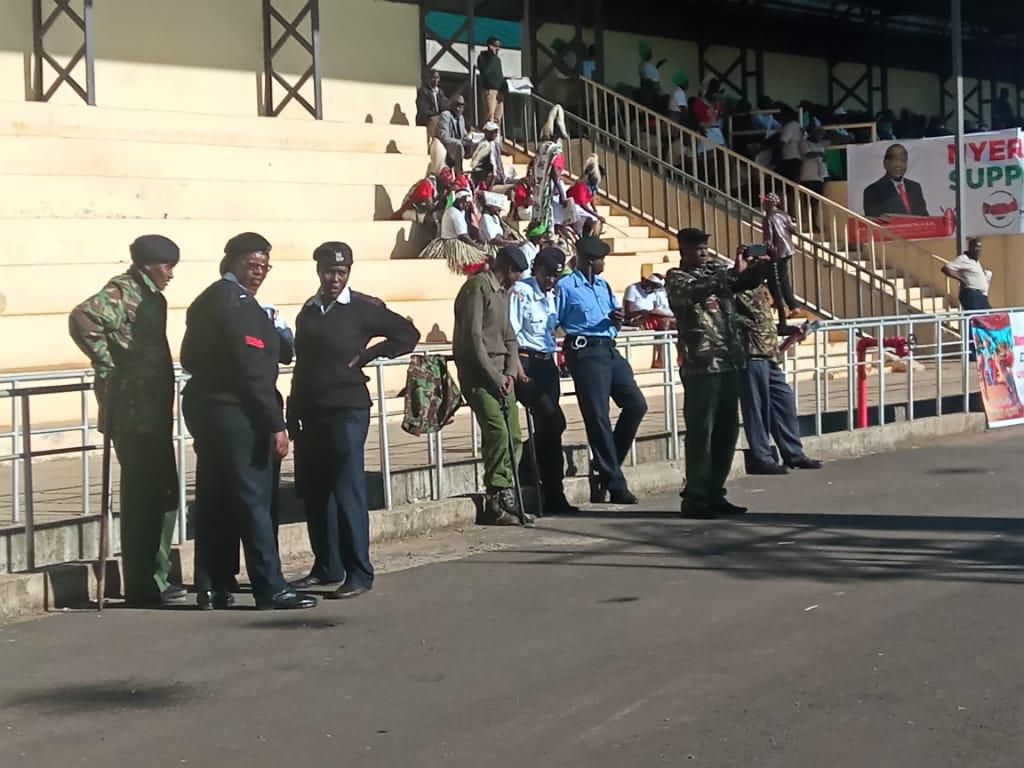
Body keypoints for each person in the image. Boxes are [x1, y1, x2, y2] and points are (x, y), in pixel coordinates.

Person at [181, 232, 316, 611]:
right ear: (233, 262)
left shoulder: (207, 299)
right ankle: (270, 587)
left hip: (209, 413)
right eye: (251, 265)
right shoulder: (237, 305)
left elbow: (189, 358)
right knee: (254, 502)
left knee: (215, 500)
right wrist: (275, 424)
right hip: (240, 415)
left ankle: (213, 584)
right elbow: (253, 375)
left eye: (263, 267)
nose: (258, 273)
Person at [289, 243, 420, 597]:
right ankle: (326, 565)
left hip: (348, 408)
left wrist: (371, 353)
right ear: (318, 271)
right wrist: (293, 408)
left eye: (341, 272)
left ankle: (359, 572)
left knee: (347, 488)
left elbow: (407, 335)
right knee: (317, 491)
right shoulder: (309, 311)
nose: (335, 278)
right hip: (312, 409)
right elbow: (302, 364)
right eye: (329, 272)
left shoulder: (364, 307)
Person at [68, 235, 185, 607]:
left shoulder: (150, 294)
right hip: (134, 414)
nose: (170, 274)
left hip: (151, 411)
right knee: (144, 497)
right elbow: (83, 317)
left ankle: (155, 576)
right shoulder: (124, 291)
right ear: (149, 264)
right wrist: (109, 365)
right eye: (167, 266)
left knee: (163, 493)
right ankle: (145, 584)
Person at [666, 229, 774, 520]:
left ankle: (715, 492)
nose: (703, 253)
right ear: (684, 251)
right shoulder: (677, 277)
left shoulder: (716, 270)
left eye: (705, 248)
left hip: (730, 360)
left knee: (727, 431)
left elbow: (743, 283)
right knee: (702, 431)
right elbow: (699, 290)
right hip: (702, 363)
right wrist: (730, 274)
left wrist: (761, 265)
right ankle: (696, 496)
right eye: (697, 249)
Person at [557, 237, 647, 504]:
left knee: (636, 404)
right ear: (586, 260)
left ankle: (606, 468)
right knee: (598, 416)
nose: (603, 264)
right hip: (585, 351)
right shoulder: (566, 286)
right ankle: (616, 483)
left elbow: (612, 319)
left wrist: (617, 321)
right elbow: (557, 322)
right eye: (599, 259)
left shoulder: (603, 286)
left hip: (608, 347)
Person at [453, 245, 531, 525]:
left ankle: (508, 491)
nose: (518, 279)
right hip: (479, 376)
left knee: (513, 436)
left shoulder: (503, 293)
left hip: (502, 375)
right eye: (516, 272)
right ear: (507, 268)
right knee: (496, 432)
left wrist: (510, 372)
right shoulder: (478, 288)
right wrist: (493, 377)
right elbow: (472, 340)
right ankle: (495, 496)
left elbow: (510, 336)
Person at [510, 247, 579, 515]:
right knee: (552, 421)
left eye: (555, 276)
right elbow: (511, 334)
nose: (551, 280)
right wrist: (518, 371)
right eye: (547, 274)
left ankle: (546, 484)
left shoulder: (551, 295)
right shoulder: (522, 292)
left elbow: (553, 328)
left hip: (546, 361)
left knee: (552, 426)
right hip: (527, 362)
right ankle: (548, 486)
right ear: (536, 269)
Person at [736, 280, 823, 475]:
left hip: (769, 353)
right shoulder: (734, 287)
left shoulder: (762, 288)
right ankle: (762, 458)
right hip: (750, 353)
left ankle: (793, 453)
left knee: (784, 401)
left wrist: (791, 331)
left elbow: (765, 324)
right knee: (757, 408)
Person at [417, 189, 493, 273]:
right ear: (459, 200)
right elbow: (463, 236)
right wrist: (477, 247)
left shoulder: (459, 211)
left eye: (469, 202)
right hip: (453, 242)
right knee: (483, 258)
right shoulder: (454, 213)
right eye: (466, 201)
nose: (467, 204)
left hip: (456, 240)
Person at [761, 193, 801, 325]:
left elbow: (769, 239)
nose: (763, 204)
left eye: (765, 202)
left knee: (774, 280)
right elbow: (793, 229)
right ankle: (792, 306)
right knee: (783, 279)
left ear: (770, 203)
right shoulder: (784, 215)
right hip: (788, 249)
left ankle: (782, 306)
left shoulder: (768, 218)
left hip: (777, 252)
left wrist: (765, 252)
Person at [862, 143, 930, 217]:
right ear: (885, 163)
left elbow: (925, 218)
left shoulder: (915, 187)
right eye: (894, 160)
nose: (898, 165)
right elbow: (875, 223)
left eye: (902, 160)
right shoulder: (872, 191)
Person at [623, 273, 675, 369]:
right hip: (637, 320)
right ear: (646, 281)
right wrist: (644, 312)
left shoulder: (654, 293)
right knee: (664, 322)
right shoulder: (632, 289)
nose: (653, 289)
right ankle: (660, 358)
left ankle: (682, 356)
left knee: (675, 322)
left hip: (652, 318)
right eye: (653, 286)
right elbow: (627, 312)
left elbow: (656, 308)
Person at [942, 237, 992, 311]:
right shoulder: (964, 258)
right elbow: (946, 268)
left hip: (981, 295)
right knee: (977, 317)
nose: (978, 249)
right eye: (976, 246)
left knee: (990, 315)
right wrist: (961, 279)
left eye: (980, 247)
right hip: (972, 294)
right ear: (970, 247)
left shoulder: (976, 261)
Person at [566, 153, 606, 237]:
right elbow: (582, 204)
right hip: (574, 208)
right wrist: (597, 216)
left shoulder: (591, 187)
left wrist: (595, 210)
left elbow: (591, 199)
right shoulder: (581, 185)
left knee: (597, 220)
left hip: (580, 209)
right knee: (592, 220)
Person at [799, 126, 828, 230]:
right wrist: (819, 154)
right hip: (807, 177)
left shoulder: (820, 146)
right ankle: (810, 223)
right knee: (808, 203)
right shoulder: (804, 143)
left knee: (816, 203)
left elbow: (823, 162)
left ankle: (814, 223)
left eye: (822, 134)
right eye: (818, 133)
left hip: (818, 177)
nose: (820, 136)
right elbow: (807, 154)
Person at [437, 95, 471, 173]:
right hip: (448, 145)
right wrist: (458, 141)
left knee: (478, 144)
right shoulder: (446, 115)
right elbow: (444, 136)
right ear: (452, 105)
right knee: (459, 145)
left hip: (459, 145)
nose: (459, 108)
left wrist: (469, 140)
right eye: (457, 105)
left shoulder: (461, 118)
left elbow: (464, 134)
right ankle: (459, 172)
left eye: (461, 106)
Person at [477, 36, 505, 125]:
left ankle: (496, 136)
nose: (498, 49)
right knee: (490, 116)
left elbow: (500, 75)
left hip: (499, 91)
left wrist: (503, 89)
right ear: (490, 46)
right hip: (489, 90)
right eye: (496, 46)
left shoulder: (498, 60)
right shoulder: (483, 57)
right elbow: (486, 71)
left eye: (499, 47)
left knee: (498, 117)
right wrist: (492, 56)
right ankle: (489, 136)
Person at [415, 69, 448, 140]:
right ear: (429, 79)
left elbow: (443, 108)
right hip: (426, 119)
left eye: (437, 78)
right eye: (433, 77)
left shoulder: (440, 92)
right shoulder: (423, 91)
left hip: (438, 117)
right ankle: (433, 140)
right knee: (436, 119)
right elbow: (423, 110)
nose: (436, 80)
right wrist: (437, 114)